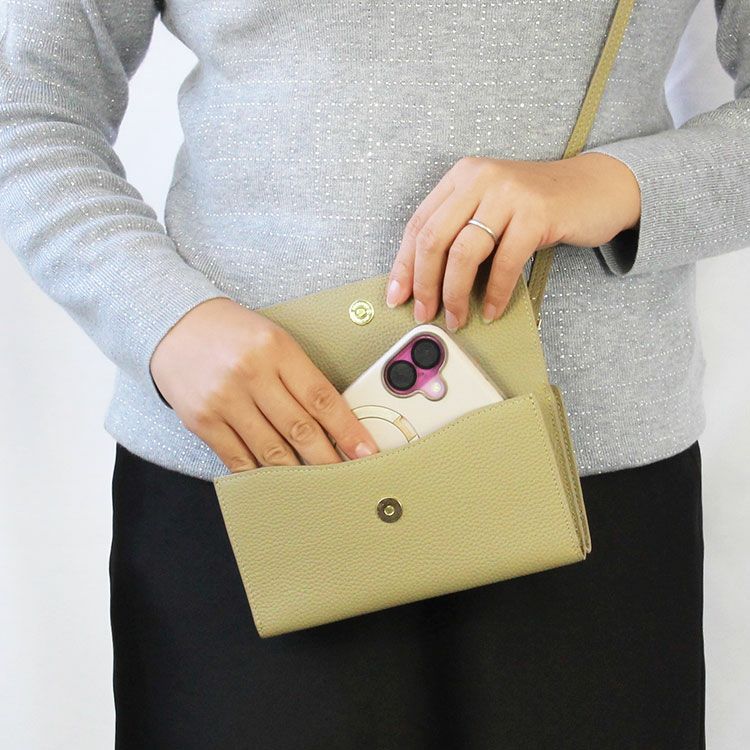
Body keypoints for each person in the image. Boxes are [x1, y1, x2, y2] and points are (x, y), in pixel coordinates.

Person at [1, 0, 746, 747]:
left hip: (591, 483)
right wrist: (164, 320)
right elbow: (26, 106)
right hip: (246, 478)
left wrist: (616, 184)